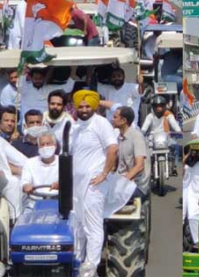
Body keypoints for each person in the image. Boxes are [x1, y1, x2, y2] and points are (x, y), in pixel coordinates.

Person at [70, 90, 136, 270]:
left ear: (94, 106)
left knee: (93, 226)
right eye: (80, 106)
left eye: (87, 106)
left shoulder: (100, 124)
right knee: (79, 225)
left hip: (95, 184)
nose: (84, 109)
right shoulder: (76, 127)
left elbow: (113, 149)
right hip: (77, 186)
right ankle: (78, 262)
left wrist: (104, 173)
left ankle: (90, 267)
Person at [113, 106, 150, 198]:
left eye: (115, 117)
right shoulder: (119, 137)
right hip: (123, 181)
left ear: (123, 120)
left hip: (137, 186)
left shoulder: (136, 136)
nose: (112, 119)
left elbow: (139, 166)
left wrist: (122, 182)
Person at [140, 95, 181, 176]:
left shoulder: (168, 115)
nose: (159, 108)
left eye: (161, 106)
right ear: (153, 107)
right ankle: (146, 168)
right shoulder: (150, 116)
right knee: (145, 150)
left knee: (176, 146)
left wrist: (179, 131)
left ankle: (175, 166)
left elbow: (175, 125)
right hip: (152, 137)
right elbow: (144, 128)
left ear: (164, 106)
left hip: (166, 136)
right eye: (157, 106)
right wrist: (142, 133)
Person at [21, 131, 59, 210]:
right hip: (34, 203)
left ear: (55, 145)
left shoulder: (62, 162)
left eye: (48, 144)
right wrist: (26, 185)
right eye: (42, 144)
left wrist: (60, 184)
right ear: (38, 147)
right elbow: (25, 181)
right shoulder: (30, 163)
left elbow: (67, 182)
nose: (45, 147)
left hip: (57, 202)